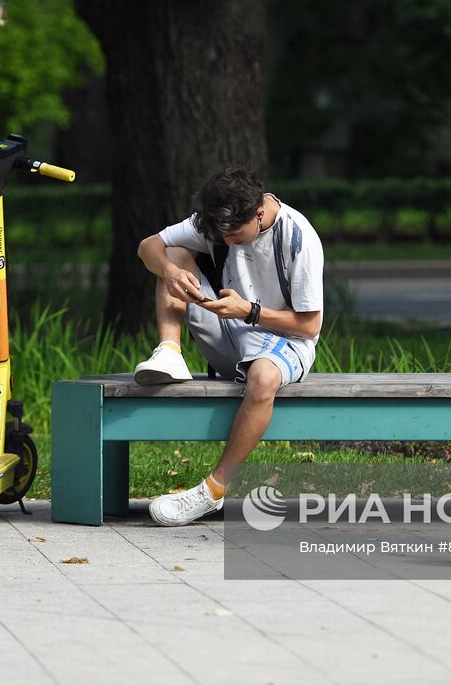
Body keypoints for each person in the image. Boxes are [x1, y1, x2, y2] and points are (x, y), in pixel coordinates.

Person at [133, 167, 324, 525]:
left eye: (235, 234)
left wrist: (249, 311)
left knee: (264, 378)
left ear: (259, 213)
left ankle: (214, 491)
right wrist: (170, 272)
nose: (227, 240)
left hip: (286, 342)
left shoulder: (299, 237)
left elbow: (310, 325)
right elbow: (148, 247)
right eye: (222, 234)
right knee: (172, 255)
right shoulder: (217, 221)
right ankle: (170, 352)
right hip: (229, 327)